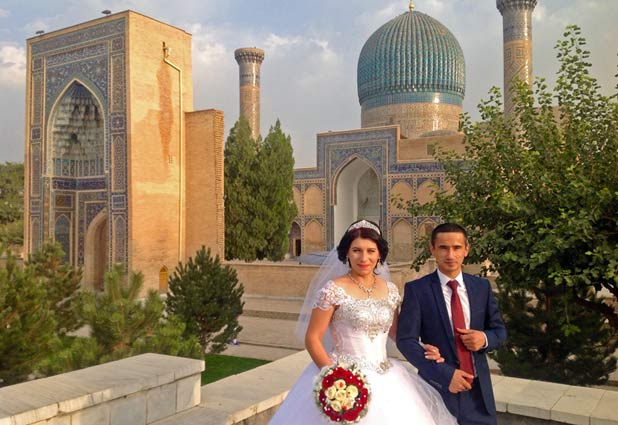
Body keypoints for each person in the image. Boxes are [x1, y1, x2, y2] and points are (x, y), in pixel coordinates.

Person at [270, 220, 457, 424]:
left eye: (371, 250)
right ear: (347, 253)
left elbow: (396, 334)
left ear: (379, 254)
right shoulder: (333, 289)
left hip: (388, 377)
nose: (364, 257)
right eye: (357, 250)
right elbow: (312, 338)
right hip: (344, 377)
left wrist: (422, 347)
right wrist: (333, 377)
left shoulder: (390, 290)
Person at [397, 223, 507, 425]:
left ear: (466, 250)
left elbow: (499, 332)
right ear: (432, 249)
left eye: (456, 248)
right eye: (443, 248)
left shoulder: (481, 287)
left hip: (479, 395)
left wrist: (483, 339)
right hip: (437, 389)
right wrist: (446, 375)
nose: (450, 255)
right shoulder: (417, 290)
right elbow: (405, 340)